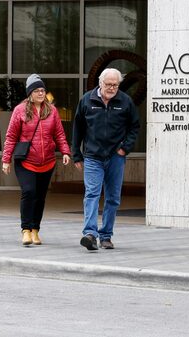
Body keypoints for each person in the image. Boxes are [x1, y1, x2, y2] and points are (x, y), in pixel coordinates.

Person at [72, 68, 140, 251]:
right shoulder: (87, 100)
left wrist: (125, 148)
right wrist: (76, 154)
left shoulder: (125, 101)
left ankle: (106, 236)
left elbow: (134, 127)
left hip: (115, 157)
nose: (112, 88)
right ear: (100, 83)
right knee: (92, 194)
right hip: (93, 157)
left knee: (113, 198)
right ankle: (90, 234)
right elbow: (77, 128)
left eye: (115, 85)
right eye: (108, 84)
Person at [1, 74, 72, 246]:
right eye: (37, 90)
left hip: (47, 161)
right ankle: (25, 230)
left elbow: (59, 133)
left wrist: (65, 152)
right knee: (29, 192)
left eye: (43, 90)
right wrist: (6, 159)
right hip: (26, 161)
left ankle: (35, 230)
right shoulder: (20, 110)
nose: (41, 93)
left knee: (40, 197)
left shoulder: (52, 110)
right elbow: (11, 136)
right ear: (30, 93)